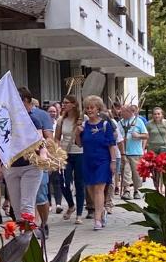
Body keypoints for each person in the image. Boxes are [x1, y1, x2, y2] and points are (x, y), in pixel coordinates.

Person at [4, 88, 53, 233]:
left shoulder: (33, 120)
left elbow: (39, 141)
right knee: (17, 208)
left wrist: (43, 154)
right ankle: (23, 236)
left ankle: (29, 240)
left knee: (27, 205)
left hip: (30, 167)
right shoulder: (5, 121)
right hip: (11, 166)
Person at [76, 95, 117, 231]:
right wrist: (77, 133)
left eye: (92, 107)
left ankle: (97, 219)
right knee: (90, 188)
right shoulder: (84, 125)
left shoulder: (105, 125)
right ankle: (102, 210)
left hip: (103, 161)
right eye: (87, 108)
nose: (89, 110)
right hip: (87, 160)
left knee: (99, 189)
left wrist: (113, 161)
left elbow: (112, 144)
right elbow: (80, 144)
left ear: (98, 108)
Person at [55, 95, 85, 224]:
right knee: (63, 182)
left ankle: (79, 214)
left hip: (79, 153)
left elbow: (84, 140)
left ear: (73, 104)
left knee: (79, 184)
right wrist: (56, 152)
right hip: (65, 153)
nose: (63, 105)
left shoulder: (82, 119)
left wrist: (80, 131)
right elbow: (57, 137)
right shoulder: (61, 120)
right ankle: (71, 205)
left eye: (66, 103)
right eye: (63, 102)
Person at [120, 105, 148, 200]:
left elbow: (146, 135)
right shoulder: (121, 122)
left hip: (136, 152)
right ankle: (127, 190)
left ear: (129, 112)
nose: (121, 113)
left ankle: (137, 190)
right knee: (126, 172)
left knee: (136, 173)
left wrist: (138, 136)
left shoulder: (138, 121)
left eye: (123, 111)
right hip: (124, 152)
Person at [46, 104, 65, 214]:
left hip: (56, 155)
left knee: (57, 180)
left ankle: (58, 203)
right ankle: (48, 203)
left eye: (54, 111)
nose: (52, 113)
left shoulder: (58, 124)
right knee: (47, 181)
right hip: (46, 155)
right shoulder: (44, 124)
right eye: (50, 111)